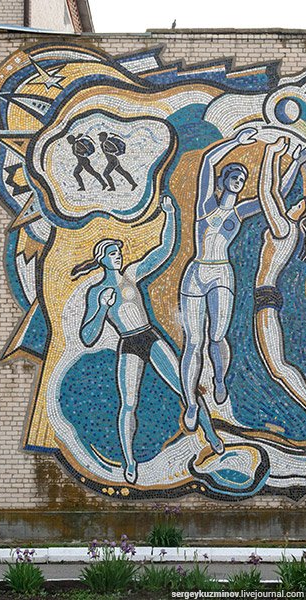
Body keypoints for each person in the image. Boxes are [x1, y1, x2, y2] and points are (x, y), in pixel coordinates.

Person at [74, 197, 223, 483]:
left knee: (186, 387)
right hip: (128, 343)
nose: (118, 256)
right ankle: (130, 462)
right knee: (129, 403)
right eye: (112, 253)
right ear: (102, 259)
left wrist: (170, 214)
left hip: (149, 335)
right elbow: (87, 337)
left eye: (118, 252)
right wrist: (102, 309)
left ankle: (212, 435)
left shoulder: (131, 274)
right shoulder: (97, 292)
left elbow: (164, 250)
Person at [177, 127, 306, 433]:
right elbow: (208, 161)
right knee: (193, 342)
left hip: (222, 273)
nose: (239, 180)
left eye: (242, 178)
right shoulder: (206, 205)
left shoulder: (239, 212)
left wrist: (296, 163)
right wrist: (236, 142)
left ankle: (219, 379)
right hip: (196, 272)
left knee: (217, 336)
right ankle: (191, 403)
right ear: (223, 180)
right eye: (234, 176)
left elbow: (274, 197)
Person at [254, 137, 306, 433]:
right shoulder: (290, 228)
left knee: (278, 367)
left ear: (301, 214)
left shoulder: (284, 229)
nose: (293, 204)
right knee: (277, 367)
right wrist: (294, 162)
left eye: (298, 205)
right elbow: (278, 191)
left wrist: (272, 153)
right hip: (268, 297)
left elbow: (267, 192)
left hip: (266, 297)